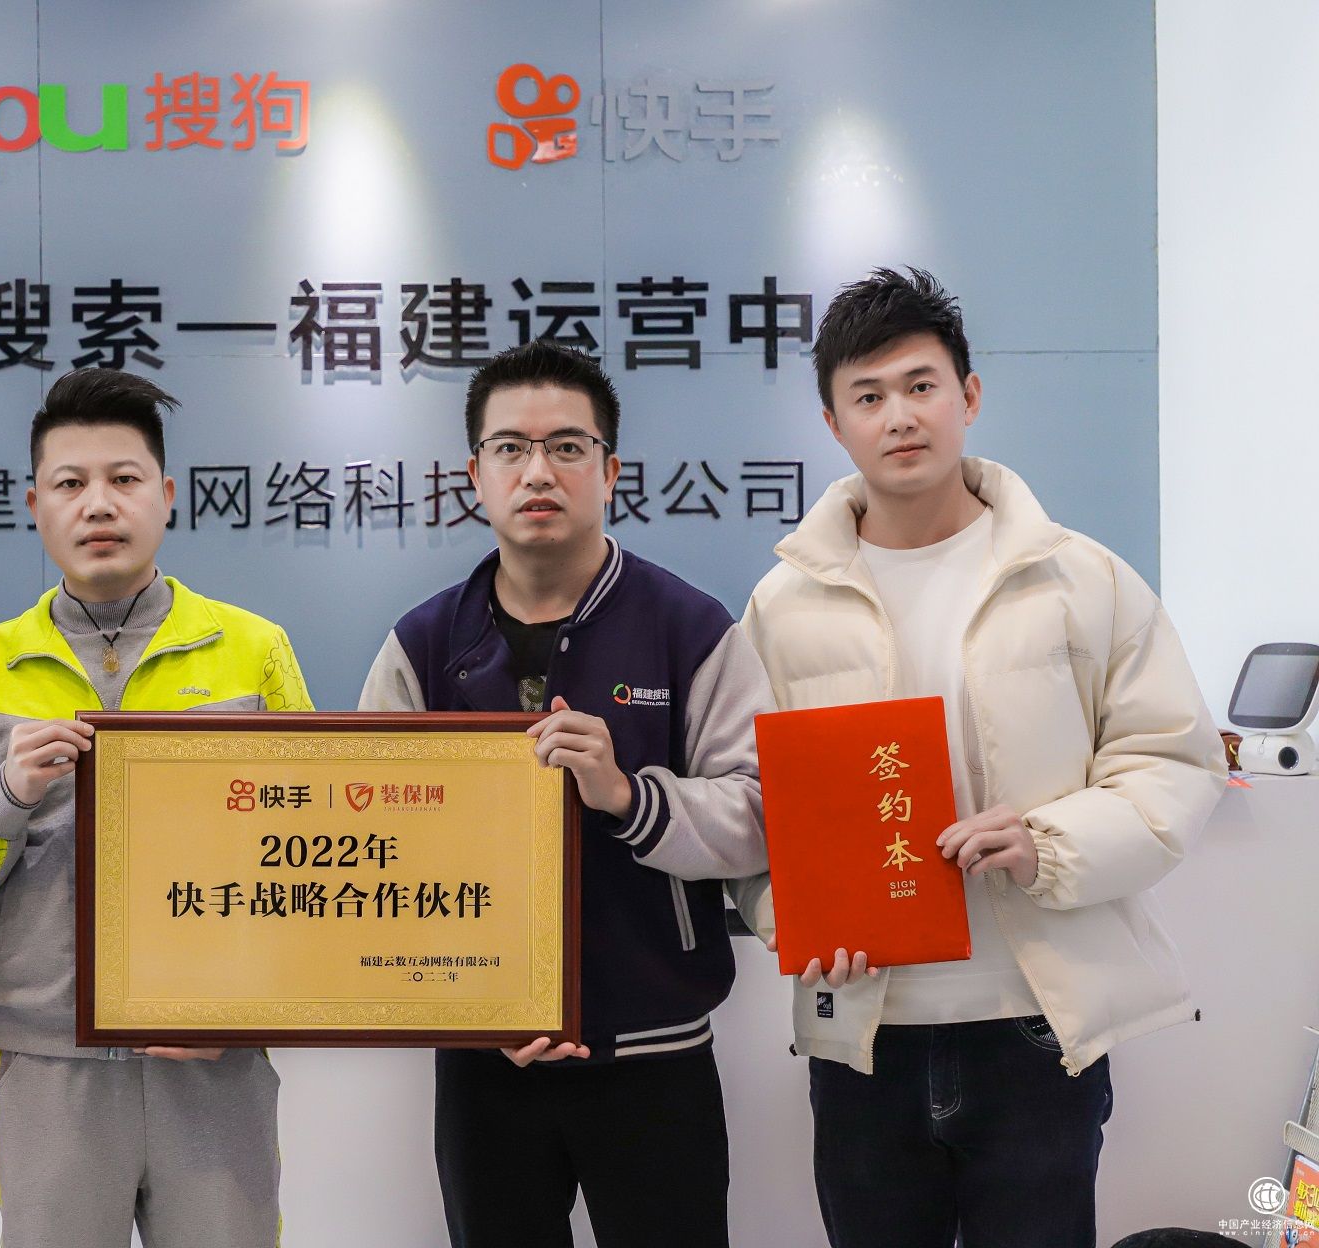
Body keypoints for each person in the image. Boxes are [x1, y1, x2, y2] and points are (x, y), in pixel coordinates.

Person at [735, 267, 1227, 1248]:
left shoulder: (1081, 580)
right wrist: (793, 917)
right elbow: (747, 807)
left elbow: (1173, 763)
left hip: (1036, 1032)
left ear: (968, 395)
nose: (899, 416)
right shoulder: (781, 609)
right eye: (868, 397)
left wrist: (1051, 843)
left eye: (921, 386)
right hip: (863, 1039)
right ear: (834, 424)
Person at [358, 340, 773, 1247]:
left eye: (567, 447)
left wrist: (627, 796)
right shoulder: (421, 645)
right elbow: (374, 858)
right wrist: (470, 1011)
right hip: (487, 1062)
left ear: (610, 470)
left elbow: (757, 818)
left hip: (656, 1051)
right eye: (510, 448)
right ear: (475, 474)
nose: (537, 471)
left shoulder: (691, 628)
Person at [0, 367, 313, 1248]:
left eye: (124, 479)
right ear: (36, 506)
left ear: (166, 496)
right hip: (48, 1059)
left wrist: (250, 1013)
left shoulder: (253, 650)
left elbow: (312, 853)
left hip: (214, 1055)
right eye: (70, 483)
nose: (98, 503)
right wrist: (8, 794)